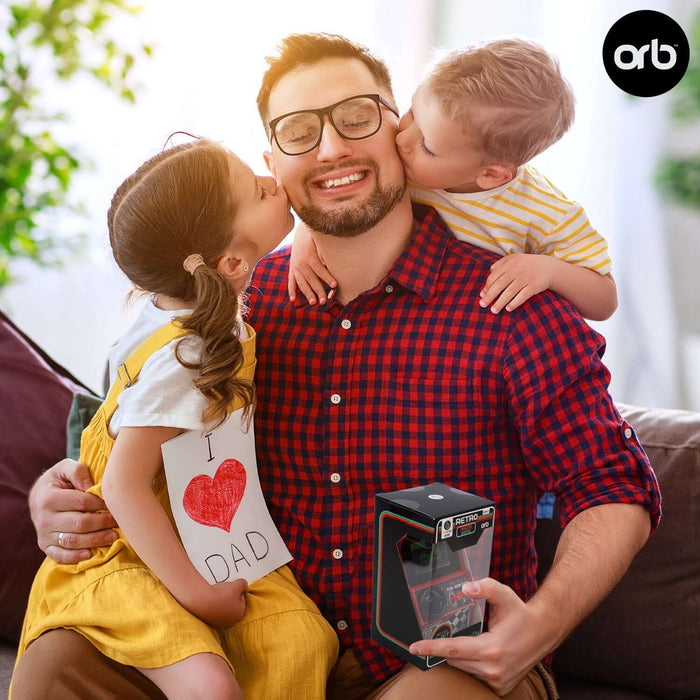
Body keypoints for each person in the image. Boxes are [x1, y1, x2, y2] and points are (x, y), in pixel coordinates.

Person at [15, 33, 660, 700]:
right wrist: (58, 492)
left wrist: (539, 629)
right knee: (58, 660)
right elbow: (132, 434)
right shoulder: (229, 312)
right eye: (299, 132)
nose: (331, 149)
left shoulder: (512, 305)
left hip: (444, 663)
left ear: (400, 128)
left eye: (356, 117)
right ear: (271, 165)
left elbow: (613, 485)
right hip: (255, 643)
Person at [11, 139, 338, 700]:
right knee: (210, 686)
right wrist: (199, 596)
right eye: (261, 191)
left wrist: (304, 231)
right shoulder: (194, 352)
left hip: (202, 530)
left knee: (300, 640)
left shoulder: (175, 303)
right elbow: (122, 482)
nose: (276, 184)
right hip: (133, 545)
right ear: (232, 264)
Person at [288, 38, 617, 322]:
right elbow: (346, 198)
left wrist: (548, 271)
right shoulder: (407, 163)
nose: (403, 140)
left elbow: (605, 300)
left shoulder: (547, 213)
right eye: (413, 113)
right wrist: (308, 237)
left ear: (490, 174)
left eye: (427, 146)